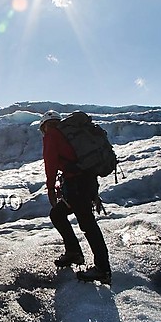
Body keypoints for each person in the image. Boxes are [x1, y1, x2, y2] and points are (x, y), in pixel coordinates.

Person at [40, 110, 111, 284]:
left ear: (45, 126)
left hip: (76, 186)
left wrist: (50, 189)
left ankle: (102, 269)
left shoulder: (53, 135)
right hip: (85, 182)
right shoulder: (69, 134)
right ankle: (74, 253)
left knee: (87, 224)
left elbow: (50, 163)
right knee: (58, 215)